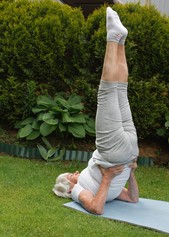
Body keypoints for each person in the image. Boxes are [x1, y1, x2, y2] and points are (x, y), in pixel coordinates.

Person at [53, 7, 139, 215]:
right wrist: (110, 177)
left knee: (120, 90)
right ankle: (113, 38)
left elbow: (132, 198)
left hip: (128, 153)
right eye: (70, 175)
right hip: (115, 154)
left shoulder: (103, 189)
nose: (74, 173)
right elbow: (96, 208)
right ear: (68, 185)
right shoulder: (77, 190)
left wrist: (130, 172)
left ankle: (120, 41)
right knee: (107, 92)